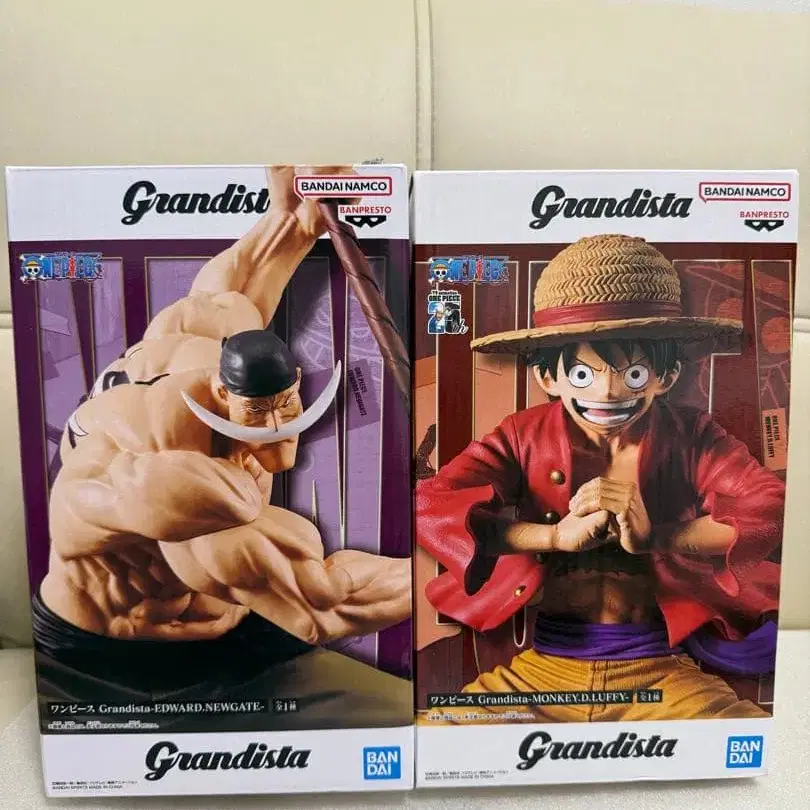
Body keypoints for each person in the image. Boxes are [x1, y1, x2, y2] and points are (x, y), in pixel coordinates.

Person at [34, 165, 411, 732]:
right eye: (260, 417)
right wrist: (462, 556)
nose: (279, 432)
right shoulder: (169, 488)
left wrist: (294, 218)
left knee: (395, 717)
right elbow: (325, 601)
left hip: (241, 630)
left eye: (288, 407)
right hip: (105, 660)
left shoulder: (198, 342)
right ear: (220, 396)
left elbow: (235, 284)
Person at [417, 234, 782, 723]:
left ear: (666, 376)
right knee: (438, 734)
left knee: (742, 737)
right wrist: (551, 537)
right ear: (548, 378)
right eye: (584, 375)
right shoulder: (521, 435)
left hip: (662, 673)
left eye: (633, 375)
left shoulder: (692, 435)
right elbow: (432, 502)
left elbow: (769, 505)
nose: (608, 392)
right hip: (539, 674)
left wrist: (659, 537)